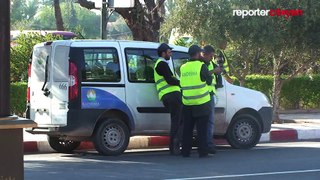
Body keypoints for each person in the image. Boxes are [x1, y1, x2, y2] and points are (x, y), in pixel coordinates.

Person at [180, 45, 212, 158]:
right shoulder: (201, 66)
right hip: (202, 103)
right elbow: (208, 81)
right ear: (198, 54)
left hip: (187, 103)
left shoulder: (183, 67)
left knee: (187, 129)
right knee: (202, 129)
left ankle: (185, 151)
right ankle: (202, 152)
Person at [154, 43, 182, 155]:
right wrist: (182, 83)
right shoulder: (161, 64)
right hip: (172, 95)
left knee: (178, 120)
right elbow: (170, 80)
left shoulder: (163, 64)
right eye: (169, 52)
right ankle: (175, 144)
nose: (171, 54)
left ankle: (175, 144)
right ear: (163, 53)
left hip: (169, 95)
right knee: (178, 121)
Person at [202, 45, 222, 154]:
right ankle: (207, 144)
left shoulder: (211, 64)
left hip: (209, 95)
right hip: (203, 95)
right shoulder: (201, 64)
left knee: (209, 122)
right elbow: (204, 76)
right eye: (211, 56)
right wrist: (214, 71)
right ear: (204, 54)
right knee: (208, 122)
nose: (212, 58)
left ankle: (207, 144)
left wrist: (218, 72)